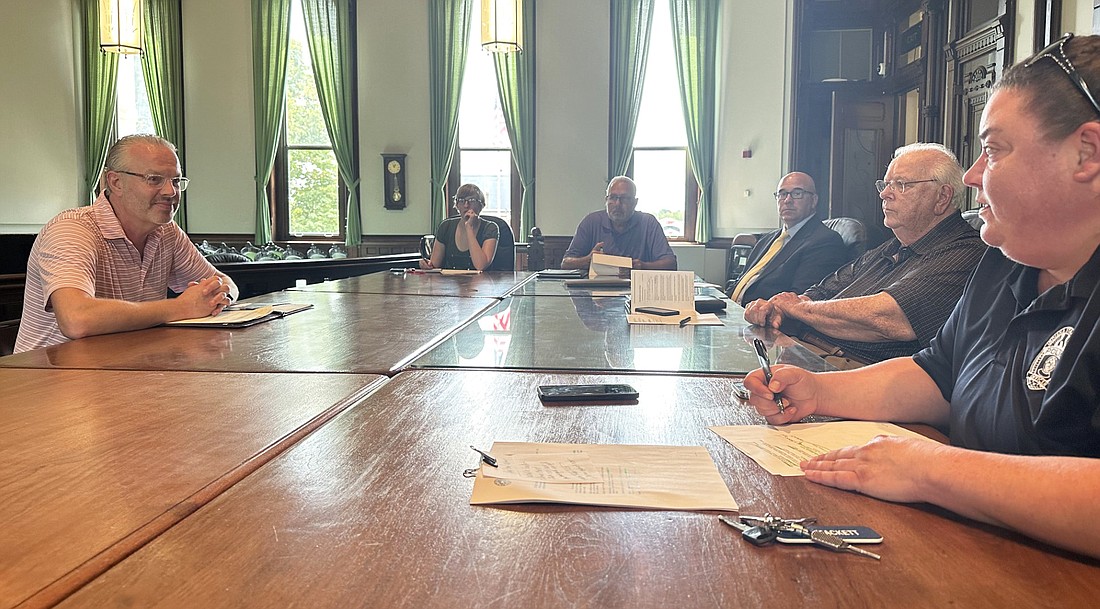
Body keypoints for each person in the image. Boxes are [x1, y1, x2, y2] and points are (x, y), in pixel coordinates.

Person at [742, 33, 1100, 559]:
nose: (974, 177)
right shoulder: (1002, 264)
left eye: (995, 150)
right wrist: (819, 391)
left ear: (1085, 154)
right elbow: (937, 375)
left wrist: (931, 469)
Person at [743, 143, 986, 365]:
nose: (884, 194)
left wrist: (795, 309)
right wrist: (779, 308)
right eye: (885, 184)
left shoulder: (965, 252)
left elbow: (886, 319)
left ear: (942, 196)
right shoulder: (890, 247)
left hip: (857, 370)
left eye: (901, 185)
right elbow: (822, 291)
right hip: (806, 348)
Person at [15, 134, 237, 353]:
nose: (171, 192)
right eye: (154, 179)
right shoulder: (72, 229)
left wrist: (219, 296)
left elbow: (225, 283)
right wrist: (181, 307)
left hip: (125, 370)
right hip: (46, 379)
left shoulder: (166, 232)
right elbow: (76, 319)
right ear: (116, 182)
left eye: (176, 181)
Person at [728, 172, 849, 305]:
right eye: (782, 194)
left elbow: (800, 300)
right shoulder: (767, 239)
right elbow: (741, 281)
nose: (787, 200)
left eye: (797, 193)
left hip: (764, 320)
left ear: (813, 200)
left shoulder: (825, 242)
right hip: (731, 313)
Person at [560, 176, 677, 271]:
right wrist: (587, 260)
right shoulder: (591, 221)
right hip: (596, 292)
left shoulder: (648, 223)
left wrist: (642, 266)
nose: (617, 204)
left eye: (624, 198)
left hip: (636, 290)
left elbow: (670, 264)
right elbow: (565, 263)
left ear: (635, 202)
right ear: (606, 200)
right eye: (613, 197)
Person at [421, 183, 499, 271]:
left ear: (481, 205)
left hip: (480, 283)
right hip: (448, 283)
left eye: (472, 200)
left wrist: (469, 227)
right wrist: (426, 265)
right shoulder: (446, 226)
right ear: (457, 205)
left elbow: (480, 266)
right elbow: (434, 265)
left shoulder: (490, 228)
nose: (466, 205)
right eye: (461, 200)